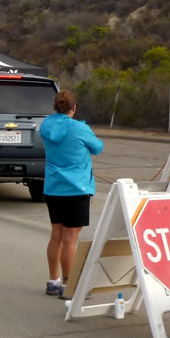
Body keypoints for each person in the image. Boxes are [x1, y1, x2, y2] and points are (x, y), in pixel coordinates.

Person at [39, 90, 104, 297]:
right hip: (77, 189)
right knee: (69, 239)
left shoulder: (46, 125)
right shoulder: (79, 128)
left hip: (54, 187)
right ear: (73, 108)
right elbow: (97, 148)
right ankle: (69, 284)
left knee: (56, 235)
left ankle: (53, 280)